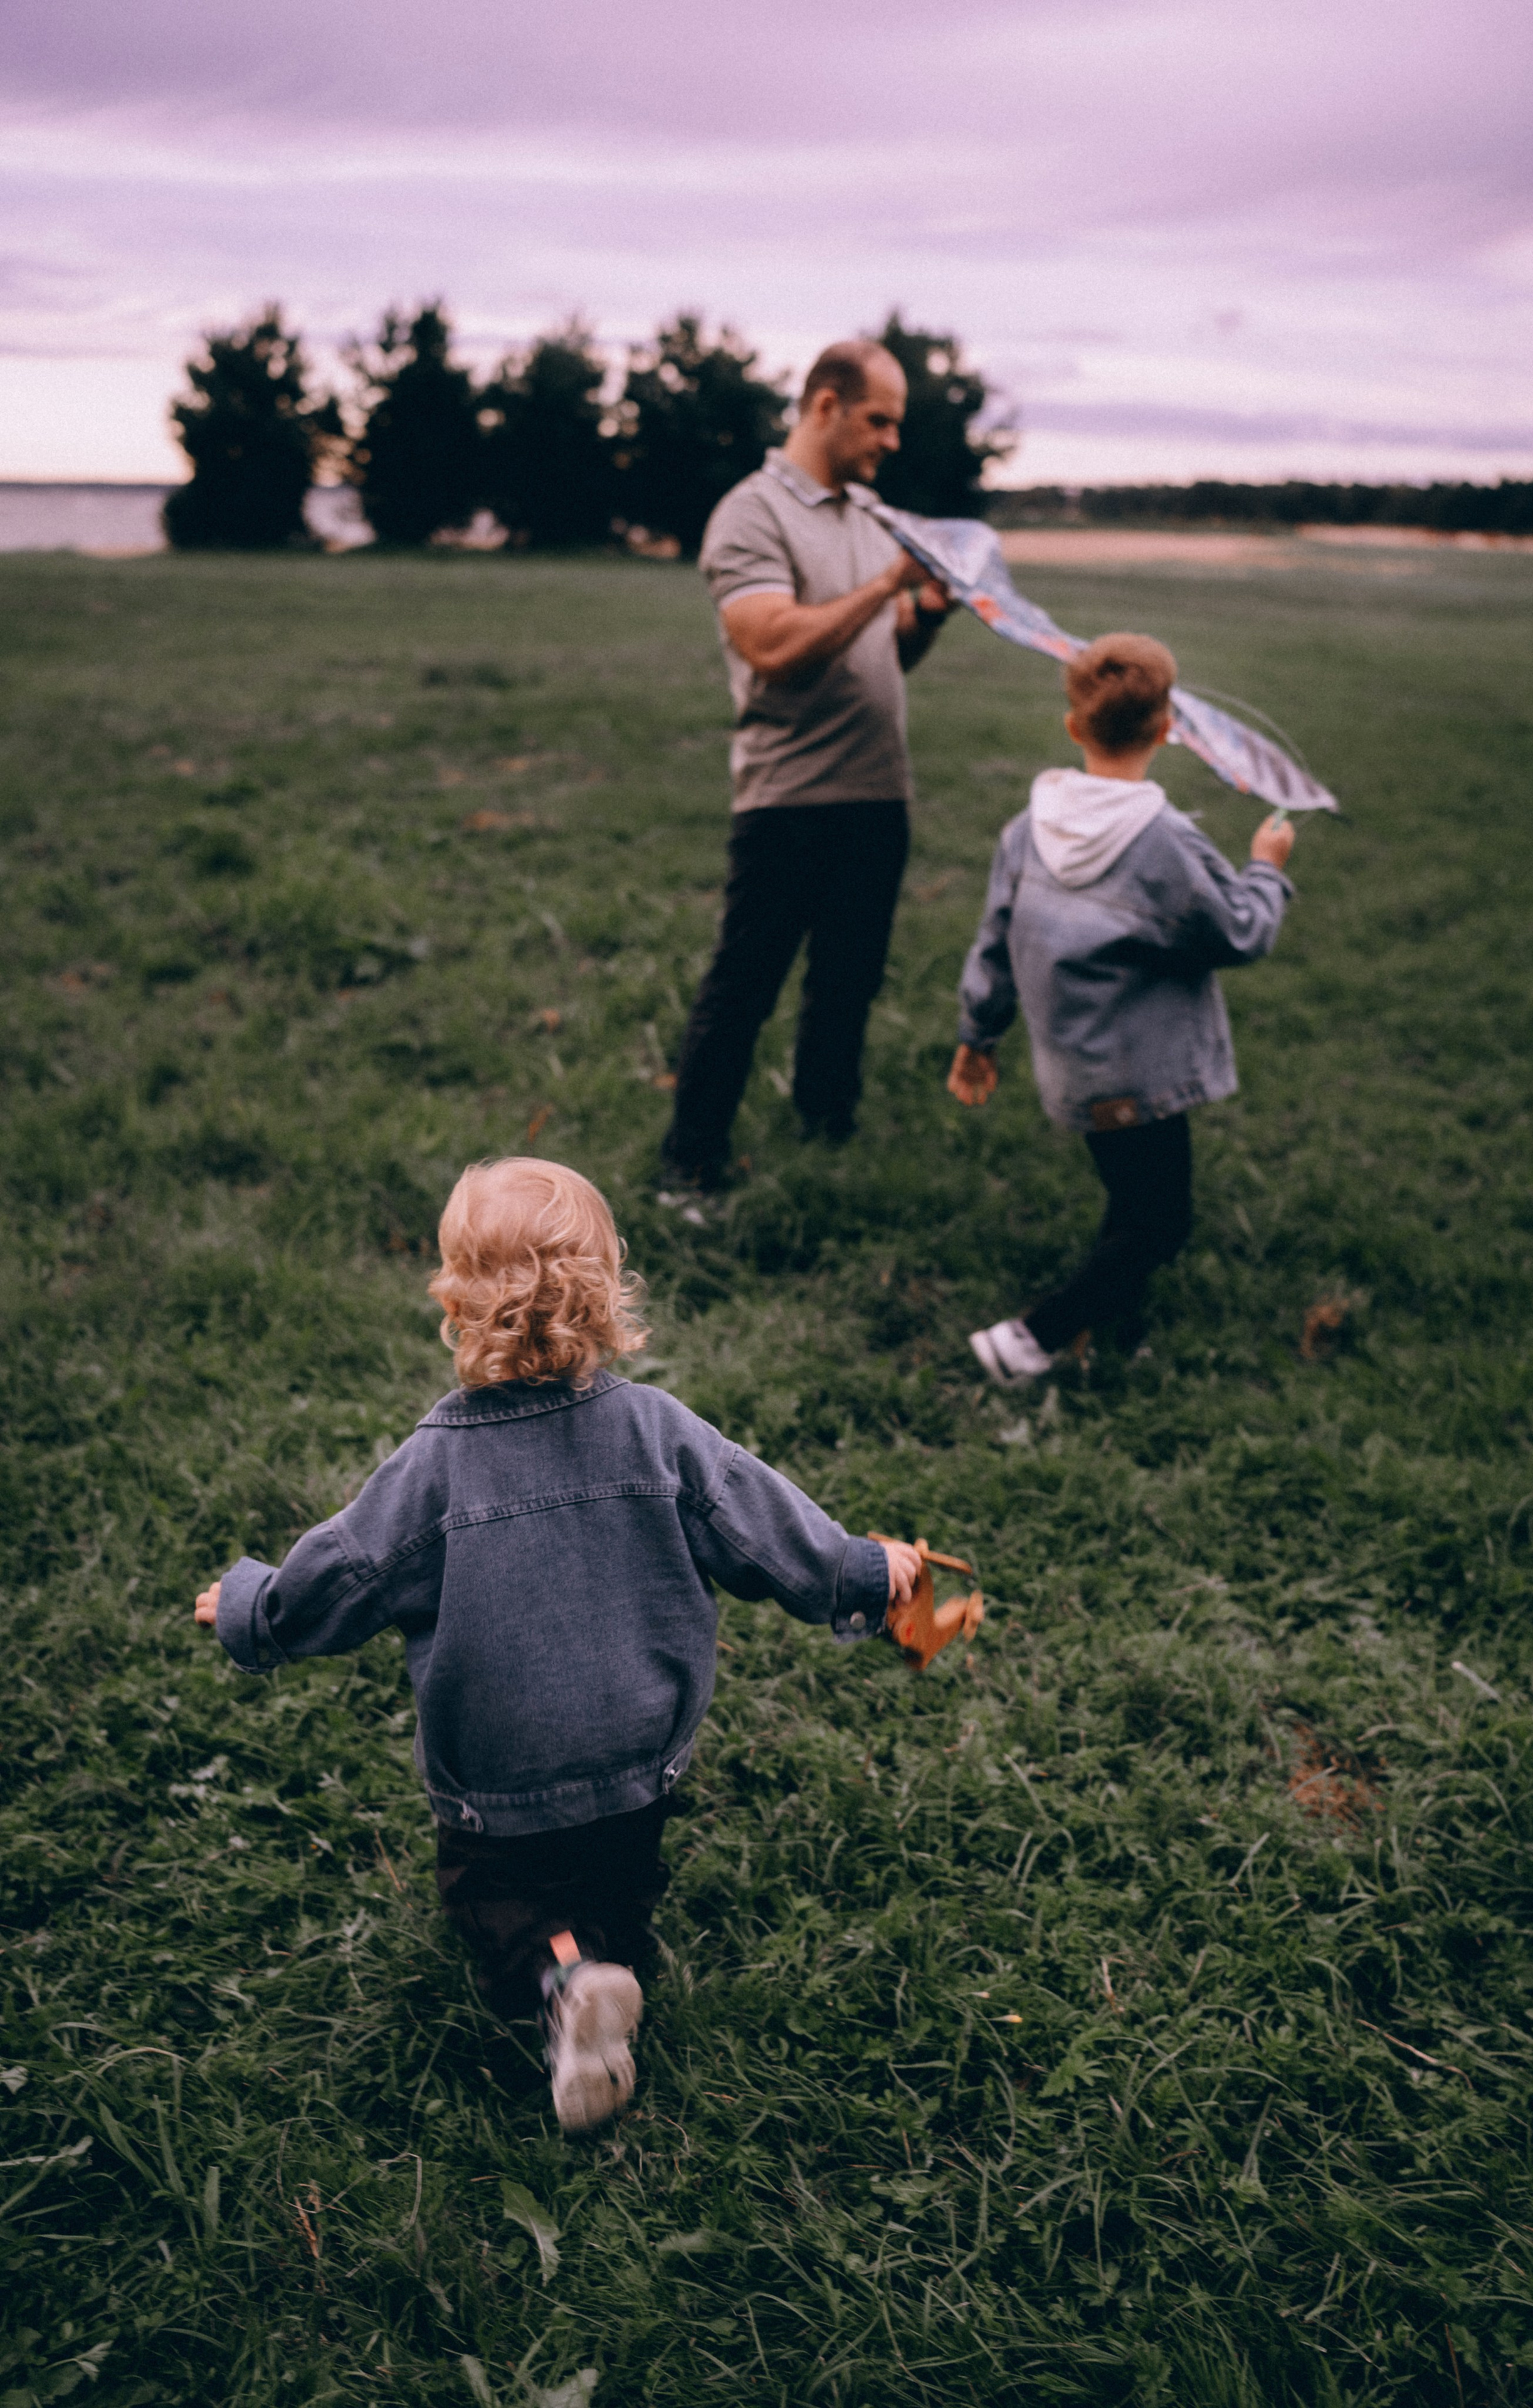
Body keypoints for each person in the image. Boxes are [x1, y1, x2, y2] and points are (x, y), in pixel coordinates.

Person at [190, 1156, 922, 2133]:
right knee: (619, 1878)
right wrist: (868, 1576)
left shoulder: (434, 1466)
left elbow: (347, 1573)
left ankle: (561, 1977)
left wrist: (253, 1609)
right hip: (636, 1756)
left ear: (457, 1306)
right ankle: (608, 1953)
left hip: (501, 1776)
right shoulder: (661, 1431)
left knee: (496, 1900)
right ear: (607, 1292)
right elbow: (768, 1530)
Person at [947, 633, 1296, 1383]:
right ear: (1168, 729)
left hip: (1073, 1069)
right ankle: (1027, 1340)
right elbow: (1239, 931)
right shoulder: (1166, 843)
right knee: (1161, 1223)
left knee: (1132, 1202)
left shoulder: (1025, 830)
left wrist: (978, 1034)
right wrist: (1266, 869)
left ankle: (1116, 1328)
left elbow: (993, 943)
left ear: (1075, 727)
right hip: (1145, 1075)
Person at [659, 339, 952, 1193]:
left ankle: (827, 1133)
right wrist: (885, 585)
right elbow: (776, 645)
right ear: (825, 405)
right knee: (745, 986)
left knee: (848, 984)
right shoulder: (750, 513)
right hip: (789, 798)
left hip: (877, 792)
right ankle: (691, 1166)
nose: (893, 440)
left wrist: (926, 612)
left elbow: (881, 650)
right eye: (880, 420)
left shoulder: (868, 514)